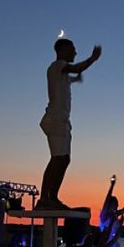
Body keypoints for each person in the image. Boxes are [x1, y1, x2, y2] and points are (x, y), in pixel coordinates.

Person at [37, 37, 102, 209]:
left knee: (64, 159)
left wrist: (76, 78)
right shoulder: (57, 66)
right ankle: (44, 199)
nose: (75, 52)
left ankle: (53, 198)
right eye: (72, 49)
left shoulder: (61, 73)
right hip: (56, 120)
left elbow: (70, 76)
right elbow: (75, 68)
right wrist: (92, 59)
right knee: (57, 159)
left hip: (62, 121)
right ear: (62, 50)